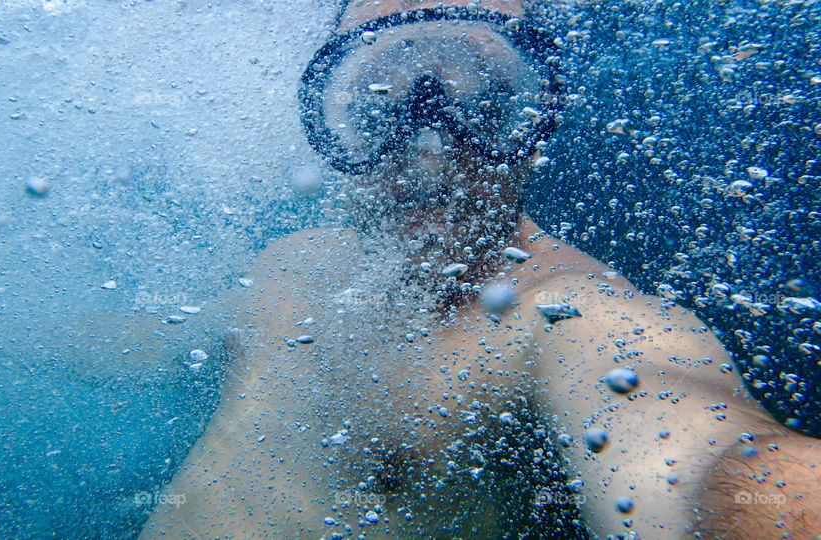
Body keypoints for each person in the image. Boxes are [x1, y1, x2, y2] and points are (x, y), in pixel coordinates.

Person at [141, 1, 820, 537]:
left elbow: (692, 448)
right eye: (382, 112)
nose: (430, 152)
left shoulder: (565, 318)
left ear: (536, 128)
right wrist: (32, 338)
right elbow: (165, 346)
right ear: (334, 120)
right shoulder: (292, 265)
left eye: (484, 110)